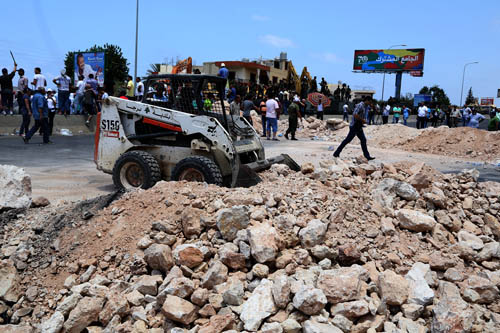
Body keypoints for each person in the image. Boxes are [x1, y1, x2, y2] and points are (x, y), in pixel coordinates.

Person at [333, 96, 375, 160]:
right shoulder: (360, 105)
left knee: (363, 140)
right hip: (355, 126)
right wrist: (362, 120)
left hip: (359, 126)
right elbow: (355, 114)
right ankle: (336, 153)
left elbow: (373, 109)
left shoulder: (366, 106)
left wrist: (373, 106)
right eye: (370, 102)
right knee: (347, 140)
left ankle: (367, 156)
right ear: (367, 100)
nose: (370, 103)